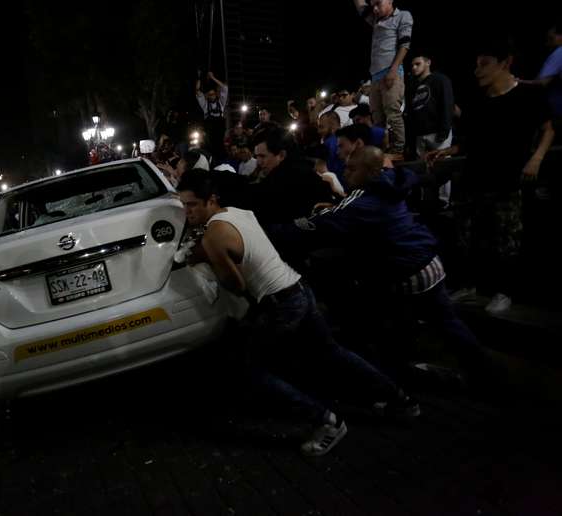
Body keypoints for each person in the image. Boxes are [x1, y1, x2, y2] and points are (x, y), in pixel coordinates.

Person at [177, 169, 418, 456]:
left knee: (251, 369)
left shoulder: (212, 236)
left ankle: (325, 421)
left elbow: (236, 284)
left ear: (211, 200)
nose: (186, 211)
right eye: (183, 205)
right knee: (330, 350)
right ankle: (400, 399)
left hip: (280, 304)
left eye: (192, 204)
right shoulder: (238, 213)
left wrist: (206, 263)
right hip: (298, 287)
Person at [276, 147, 490, 383]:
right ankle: (484, 372)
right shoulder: (390, 179)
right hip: (429, 263)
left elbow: (318, 226)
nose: (345, 172)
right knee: (445, 322)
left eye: (352, 168)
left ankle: (392, 379)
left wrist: (267, 232)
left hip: (408, 272)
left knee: (379, 321)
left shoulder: (362, 202)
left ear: (370, 172)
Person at [427, 37, 555, 313]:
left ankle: (504, 292)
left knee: (506, 239)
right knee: (466, 236)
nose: (477, 71)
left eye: (484, 65)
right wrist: (446, 151)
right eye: (476, 65)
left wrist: (537, 157)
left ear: (505, 63)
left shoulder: (528, 95)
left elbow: (548, 129)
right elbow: (471, 140)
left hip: (508, 180)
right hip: (475, 177)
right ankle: (470, 286)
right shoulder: (479, 100)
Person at [353, 0, 413, 159]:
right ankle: (380, 149)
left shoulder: (403, 16)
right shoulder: (376, 20)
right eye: (373, 5)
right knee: (377, 116)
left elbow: (404, 45)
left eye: (378, 3)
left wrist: (393, 70)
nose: (375, 8)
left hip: (390, 72)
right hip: (375, 76)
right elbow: (360, 6)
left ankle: (398, 150)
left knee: (392, 112)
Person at [406, 52, 455, 206]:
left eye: (417, 64)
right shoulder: (413, 85)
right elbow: (411, 111)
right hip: (420, 134)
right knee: (422, 166)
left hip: (437, 131)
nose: (414, 68)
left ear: (428, 63)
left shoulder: (439, 79)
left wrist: (444, 129)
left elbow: (447, 104)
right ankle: (424, 199)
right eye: (412, 65)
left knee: (441, 165)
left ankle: (443, 201)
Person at [196, 71, 229, 160]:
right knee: (208, 148)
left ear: (215, 94)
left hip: (219, 129)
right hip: (209, 131)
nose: (212, 96)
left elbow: (225, 88)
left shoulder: (221, 103)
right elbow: (198, 92)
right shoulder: (205, 105)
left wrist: (213, 78)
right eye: (209, 95)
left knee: (220, 148)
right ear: (207, 96)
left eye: (213, 94)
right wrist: (199, 77)